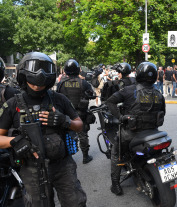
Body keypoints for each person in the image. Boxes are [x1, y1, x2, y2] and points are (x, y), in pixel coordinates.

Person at [0, 52, 87, 207]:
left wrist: (65, 121)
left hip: (62, 165)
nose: (37, 87)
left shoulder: (59, 99)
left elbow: (79, 125)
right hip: (32, 169)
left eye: (41, 84)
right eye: (33, 82)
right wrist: (15, 141)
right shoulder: (11, 104)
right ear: (23, 77)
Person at [106, 62, 165, 195]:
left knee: (115, 152)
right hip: (153, 132)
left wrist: (121, 117)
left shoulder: (128, 90)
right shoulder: (158, 93)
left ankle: (115, 184)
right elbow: (163, 112)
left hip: (131, 134)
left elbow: (110, 101)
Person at [57, 58, 95, 164]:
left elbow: (56, 97)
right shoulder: (84, 83)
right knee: (82, 134)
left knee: (64, 134)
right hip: (80, 113)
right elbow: (92, 95)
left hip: (65, 114)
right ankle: (85, 156)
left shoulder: (61, 84)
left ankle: (65, 156)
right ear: (78, 70)